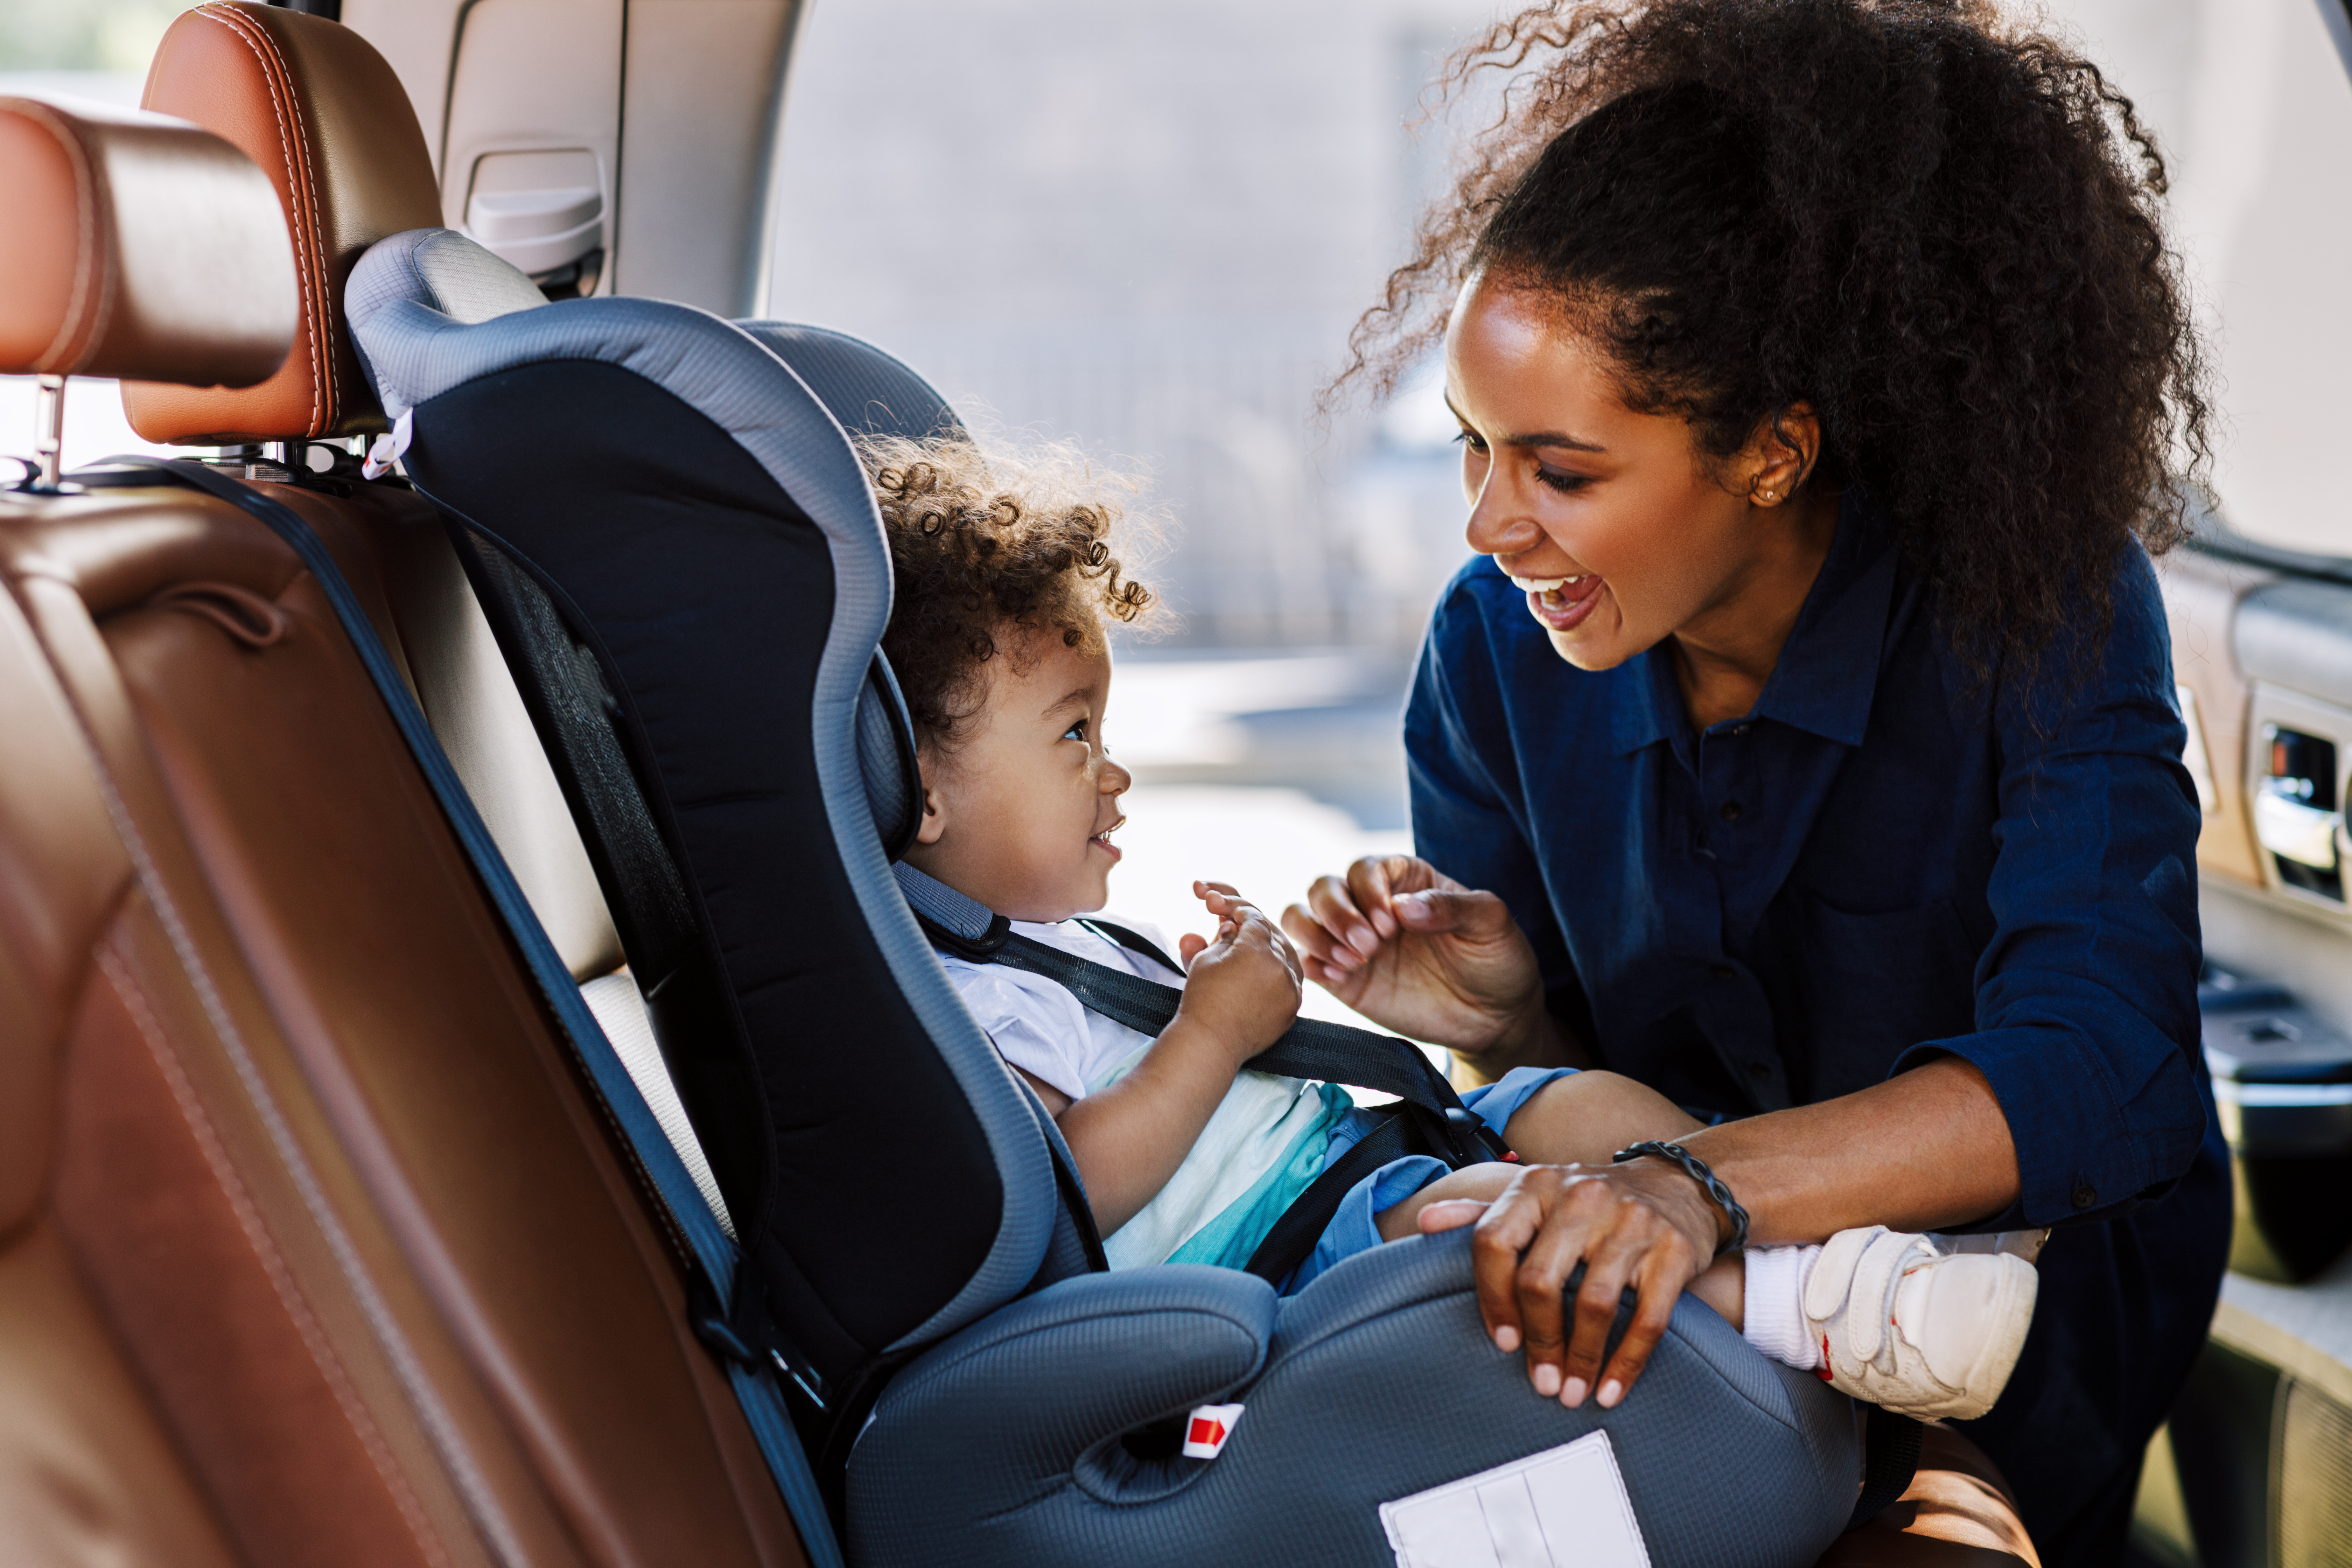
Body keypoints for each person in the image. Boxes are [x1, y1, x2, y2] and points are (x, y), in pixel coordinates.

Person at [1280, 1, 2230, 1562]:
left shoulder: (2039, 602)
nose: (1488, 527)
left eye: (1559, 470)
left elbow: (2102, 1065)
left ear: (1774, 452)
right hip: (1684, 1334)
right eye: (1471, 447)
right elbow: (1577, 1110)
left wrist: (1692, 1187)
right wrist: (1508, 1025)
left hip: (2003, 1340)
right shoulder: (1493, 655)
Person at [866, 430, 2040, 1422]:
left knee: (1570, 1103)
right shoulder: (954, 1002)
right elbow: (1068, 1190)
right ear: (917, 787)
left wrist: (1229, 991)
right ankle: (1826, 1319)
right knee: (1489, 1219)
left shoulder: (1053, 952)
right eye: (1075, 737)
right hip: (1278, 1262)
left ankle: (1835, 1251)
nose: (1113, 776)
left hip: (1355, 1165)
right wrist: (1212, 1034)